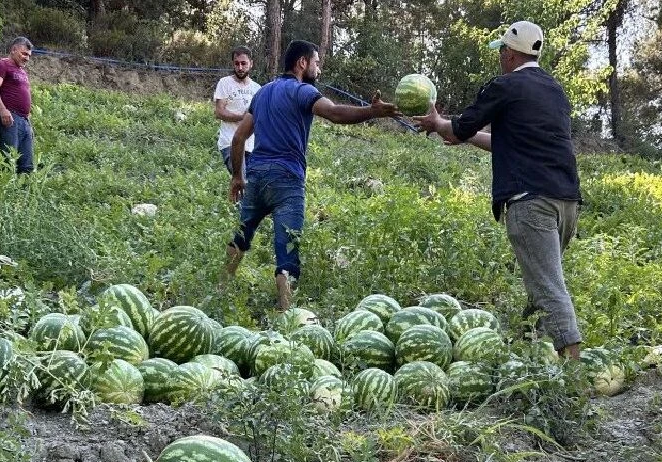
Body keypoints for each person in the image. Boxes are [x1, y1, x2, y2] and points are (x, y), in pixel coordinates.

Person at [415, 20, 583, 359]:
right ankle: (525, 349)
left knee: (548, 286)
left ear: (510, 54)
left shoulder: (505, 86)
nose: (500, 57)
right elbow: (507, 141)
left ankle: (574, 369)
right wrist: (458, 133)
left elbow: (458, 129)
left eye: (501, 51)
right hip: (566, 201)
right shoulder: (554, 90)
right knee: (541, 280)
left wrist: (439, 125)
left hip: (530, 200)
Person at [223, 39, 398, 311]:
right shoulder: (301, 91)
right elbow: (335, 113)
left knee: (242, 234)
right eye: (316, 62)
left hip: (256, 175)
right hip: (287, 180)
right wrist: (372, 112)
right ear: (302, 63)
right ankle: (286, 314)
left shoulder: (263, 92)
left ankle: (222, 289)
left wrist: (237, 177)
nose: (319, 69)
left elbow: (238, 139)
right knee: (287, 249)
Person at [0, 37, 35, 174]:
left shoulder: (22, 71)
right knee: (9, 161)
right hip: (9, 118)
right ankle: (6, 193)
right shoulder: (3, 64)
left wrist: (27, 120)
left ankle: (23, 194)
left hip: (23, 121)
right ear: (14, 50)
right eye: (24, 53)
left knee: (26, 165)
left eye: (29, 55)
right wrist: (3, 109)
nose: (27, 58)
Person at [213, 46, 260, 174]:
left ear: (251, 64)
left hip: (251, 146)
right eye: (236, 63)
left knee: (249, 186)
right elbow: (219, 112)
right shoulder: (225, 83)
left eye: (243, 63)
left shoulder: (257, 89)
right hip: (230, 143)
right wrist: (242, 117)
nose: (240, 67)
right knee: (242, 180)